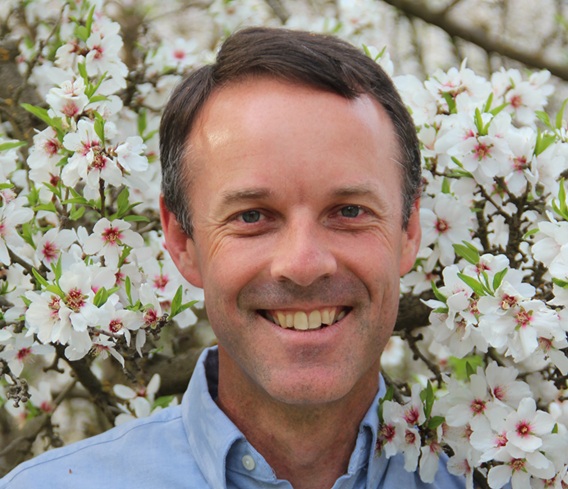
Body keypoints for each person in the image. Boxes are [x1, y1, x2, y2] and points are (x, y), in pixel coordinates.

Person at [0, 27, 465, 489]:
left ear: (409, 230)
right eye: (252, 216)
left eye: (349, 212)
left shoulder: (485, 477)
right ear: (182, 240)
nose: (303, 265)